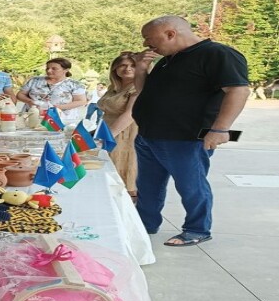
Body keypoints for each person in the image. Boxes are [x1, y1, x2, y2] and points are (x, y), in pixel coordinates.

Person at [132, 15, 249, 247]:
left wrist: (220, 129)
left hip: (186, 137)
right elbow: (145, 91)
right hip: (149, 135)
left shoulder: (217, 54)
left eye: (148, 38)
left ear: (170, 34)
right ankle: (145, 223)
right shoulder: (168, 60)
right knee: (148, 186)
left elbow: (238, 91)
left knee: (191, 185)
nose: (146, 44)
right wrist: (142, 69)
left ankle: (197, 229)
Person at [96, 53, 139, 197]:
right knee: (105, 173)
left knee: (121, 176)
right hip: (107, 129)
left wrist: (107, 137)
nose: (128, 68)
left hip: (124, 133)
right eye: (123, 65)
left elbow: (130, 114)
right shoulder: (114, 87)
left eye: (133, 65)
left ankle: (126, 206)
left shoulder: (138, 88)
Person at [16, 57, 87, 125]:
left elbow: (81, 101)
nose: (49, 71)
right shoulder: (35, 80)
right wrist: (29, 101)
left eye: (54, 68)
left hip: (61, 119)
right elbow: (20, 95)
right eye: (47, 68)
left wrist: (58, 108)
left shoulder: (75, 84)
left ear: (66, 70)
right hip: (32, 117)